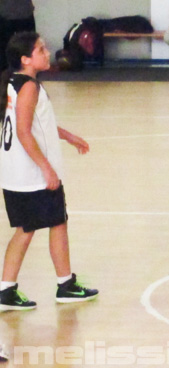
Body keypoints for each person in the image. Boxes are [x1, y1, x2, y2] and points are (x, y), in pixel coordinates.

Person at [0, 32, 98, 311]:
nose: (47, 52)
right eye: (40, 49)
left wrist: (68, 136)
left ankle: (6, 290)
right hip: (32, 175)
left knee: (26, 229)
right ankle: (65, 286)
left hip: (14, 174)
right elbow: (23, 132)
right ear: (26, 59)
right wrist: (47, 169)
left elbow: (35, 123)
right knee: (56, 223)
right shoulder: (29, 87)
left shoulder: (14, 82)